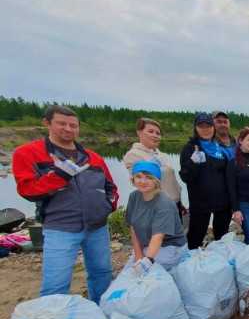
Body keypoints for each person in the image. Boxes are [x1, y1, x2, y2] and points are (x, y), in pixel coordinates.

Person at [12, 105, 118, 304]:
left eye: (73, 125)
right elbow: (27, 190)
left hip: (97, 226)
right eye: (61, 123)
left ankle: (100, 311)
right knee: (56, 283)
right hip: (60, 227)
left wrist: (108, 207)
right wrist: (59, 176)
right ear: (47, 123)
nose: (68, 129)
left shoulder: (93, 157)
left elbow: (110, 187)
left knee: (102, 272)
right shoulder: (28, 153)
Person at [179, 112, 233, 249]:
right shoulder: (190, 148)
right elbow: (186, 177)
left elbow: (228, 175)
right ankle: (191, 264)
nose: (205, 129)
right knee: (195, 238)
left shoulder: (219, 148)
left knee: (221, 238)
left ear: (213, 128)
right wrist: (192, 162)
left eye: (208, 126)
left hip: (222, 203)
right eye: (201, 126)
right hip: (200, 204)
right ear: (195, 128)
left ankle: (220, 265)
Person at [125, 161, 188, 274]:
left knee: (136, 275)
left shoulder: (164, 204)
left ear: (156, 181)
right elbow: (133, 226)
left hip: (171, 248)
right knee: (126, 274)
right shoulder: (134, 197)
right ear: (133, 179)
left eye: (149, 178)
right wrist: (138, 254)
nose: (143, 181)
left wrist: (146, 262)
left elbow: (158, 236)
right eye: (138, 177)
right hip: (148, 246)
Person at [123, 117, 186, 220]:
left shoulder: (160, 154)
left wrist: (178, 200)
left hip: (175, 202)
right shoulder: (134, 155)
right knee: (162, 235)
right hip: (159, 205)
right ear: (139, 133)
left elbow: (168, 179)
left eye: (158, 133)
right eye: (151, 131)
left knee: (176, 234)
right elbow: (142, 185)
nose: (155, 135)